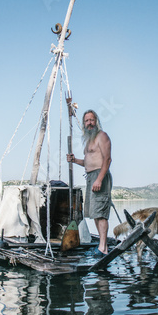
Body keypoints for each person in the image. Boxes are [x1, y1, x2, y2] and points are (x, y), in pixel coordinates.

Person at [67, 110, 112, 257]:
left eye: (92, 120)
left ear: (96, 121)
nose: (89, 123)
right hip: (91, 177)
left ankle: (103, 248)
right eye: (86, 121)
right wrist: (74, 160)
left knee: (101, 213)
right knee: (95, 214)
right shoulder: (88, 140)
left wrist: (99, 179)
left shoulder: (102, 136)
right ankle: (102, 246)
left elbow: (107, 160)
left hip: (100, 176)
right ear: (84, 123)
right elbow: (88, 162)